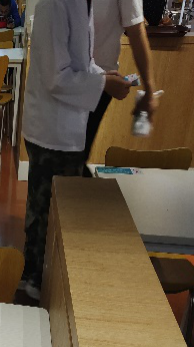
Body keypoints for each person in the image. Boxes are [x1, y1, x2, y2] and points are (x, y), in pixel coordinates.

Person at [18, 0, 132, 303]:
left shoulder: (83, 4)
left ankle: (44, 279)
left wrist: (105, 76)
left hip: (67, 128)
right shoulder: (55, 5)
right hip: (50, 129)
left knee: (57, 210)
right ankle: (33, 283)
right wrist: (102, 85)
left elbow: (83, 60)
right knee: (44, 212)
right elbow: (57, 78)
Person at [83, 0, 158, 176]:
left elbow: (136, 31)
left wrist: (149, 91)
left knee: (72, 159)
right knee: (66, 161)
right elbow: (136, 32)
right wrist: (149, 91)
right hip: (76, 81)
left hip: (96, 83)